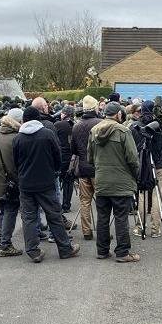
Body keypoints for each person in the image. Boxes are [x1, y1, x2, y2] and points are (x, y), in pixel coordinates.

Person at [13, 107, 80, 263]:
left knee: (29, 218)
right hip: (46, 182)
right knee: (54, 216)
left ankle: (33, 251)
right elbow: (57, 156)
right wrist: (54, 170)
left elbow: (15, 162)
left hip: (26, 184)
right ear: (38, 118)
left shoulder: (18, 138)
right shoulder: (47, 134)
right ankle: (65, 248)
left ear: (24, 119)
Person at [89, 102, 140, 262]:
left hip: (102, 181)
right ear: (118, 114)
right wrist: (135, 176)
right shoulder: (124, 131)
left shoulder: (94, 131)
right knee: (121, 217)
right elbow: (133, 159)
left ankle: (102, 251)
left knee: (102, 217)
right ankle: (123, 252)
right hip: (121, 182)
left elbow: (89, 158)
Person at [0, 108, 25, 257]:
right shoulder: (15, 137)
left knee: (3, 212)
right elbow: (14, 165)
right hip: (10, 182)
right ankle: (5, 244)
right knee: (10, 211)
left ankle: (1, 239)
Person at [131, 100, 162, 237]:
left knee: (142, 194)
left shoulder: (134, 126)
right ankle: (155, 229)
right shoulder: (161, 125)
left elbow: (131, 147)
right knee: (157, 195)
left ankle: (140, 227)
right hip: (158, 164)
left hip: (142, 164)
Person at [70, 95, 102, 240]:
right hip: (98, 168)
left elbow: (74, 149)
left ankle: (86, 231)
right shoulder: (101, 124)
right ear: (95, 108)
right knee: (102, 201)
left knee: (84, 201)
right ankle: (103, 231)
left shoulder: (76, 126)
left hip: (83, 168)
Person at [55, 105, 75, 212]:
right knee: (69, 181)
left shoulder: (58, 124)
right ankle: (67, 204)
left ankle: (57, 205)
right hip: (72, 157)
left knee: (58, 181)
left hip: (61, 156)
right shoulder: (76, 125)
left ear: (65, 113)